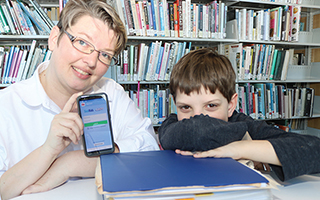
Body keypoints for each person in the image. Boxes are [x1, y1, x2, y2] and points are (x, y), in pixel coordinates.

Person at [0, 0, 159, 199]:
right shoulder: (6, 106)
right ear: (54, 38)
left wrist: (70, 164)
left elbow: (150, 151)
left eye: (105, 55)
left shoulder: (111, 93)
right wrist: (49, 150)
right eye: (82, 42)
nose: (91, 62)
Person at [158, 47, 320, 182]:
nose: (197, 116)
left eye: (211, 105)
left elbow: (315, 150)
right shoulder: (172, 123)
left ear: (231, 105)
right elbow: (198, 128)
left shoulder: (240, 121)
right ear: (175, 104)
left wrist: (241, 148)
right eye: (185, 107)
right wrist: (241, 136)